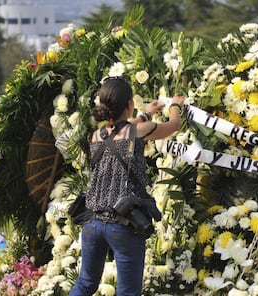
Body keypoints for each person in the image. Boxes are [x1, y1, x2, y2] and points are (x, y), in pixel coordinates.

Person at [69, 76, 184, 296]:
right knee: (128, 292)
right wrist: (176, 105)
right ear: (129, 104)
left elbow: (121, 130)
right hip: (123, 222)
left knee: (85, 284)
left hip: (92, 222)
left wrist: (146, 113)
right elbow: (174, 125)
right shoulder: (140, 131)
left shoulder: (95, 136)